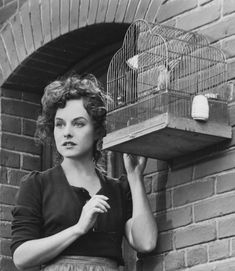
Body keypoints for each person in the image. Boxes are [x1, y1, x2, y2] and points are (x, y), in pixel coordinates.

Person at [11, 74, 158, 271]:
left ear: (98, 130)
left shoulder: (118, 190)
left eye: (78, 123)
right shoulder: (37, 184)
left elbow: (146, 242)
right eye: (60, 124)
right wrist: (78, 228)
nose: (67, 132)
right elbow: (21, 256)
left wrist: (135, 176)